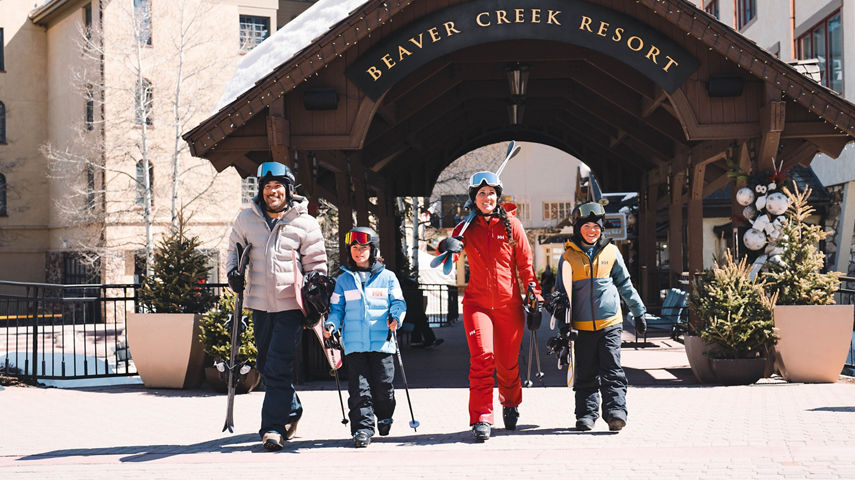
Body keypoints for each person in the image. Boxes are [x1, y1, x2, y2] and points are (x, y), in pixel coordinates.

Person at [226, 161, 327, 451]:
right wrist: (233, 275)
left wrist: (315, 293)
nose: (273, 191)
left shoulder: (304, 222)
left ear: (288, 189)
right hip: (259, 303)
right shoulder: (246, 219)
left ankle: (272, 428)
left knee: (278, 364)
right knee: (265, 365)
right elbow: (233, 250)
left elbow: (316, 265)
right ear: (261, 190)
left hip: (290, 305)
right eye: (268, 186)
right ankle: (292, 410)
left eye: (278, 186)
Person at [438, 170, 540, 442]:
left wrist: (534, 294)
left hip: (510, 305)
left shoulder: (512, 225)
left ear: (498, 196)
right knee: (482, 360)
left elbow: (526, 266)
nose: (487, 197)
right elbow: (449, 253)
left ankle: (510, 402)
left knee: (507, 364)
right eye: (482, 193)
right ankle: (482, 417)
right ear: (474, 197)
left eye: (492, 193)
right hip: (477, 304)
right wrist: (447, 244)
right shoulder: (466, 226)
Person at [556, 201, 646, 433]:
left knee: (612, 369)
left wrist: (639, 312)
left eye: (596, 227)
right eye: (587, 226)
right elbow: (560, 294)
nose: (592, 231)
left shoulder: (611, 252)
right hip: (581, 326)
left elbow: (625, 284)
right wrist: (562, 326)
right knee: (585, 372)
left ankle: (616, 412)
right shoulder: (568, 256)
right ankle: (586, 414)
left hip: (610, 323)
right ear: (578, 229)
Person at [325, 227, 406, 448]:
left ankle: (385, 416)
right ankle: (362, 428)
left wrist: (396, 317)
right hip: (354, 344)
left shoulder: (388, 277)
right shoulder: (343, 280)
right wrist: (331, 324)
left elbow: (399, 302)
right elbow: (336, 308)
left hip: (382, 343)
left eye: (363, 248)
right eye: (354, 248)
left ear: (373, 249)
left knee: (383, 387)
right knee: (359, 389)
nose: (359, 252)